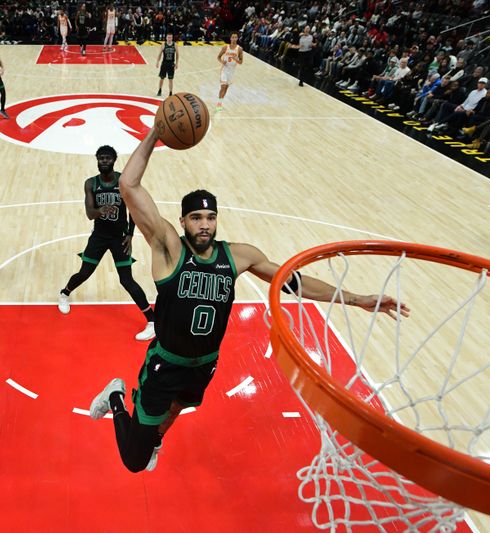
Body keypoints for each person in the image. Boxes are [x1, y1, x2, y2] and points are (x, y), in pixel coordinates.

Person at [88, 128, 410, 473]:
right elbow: (130, 187)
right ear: (182, 221)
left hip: (205, 362)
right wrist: (156, 133)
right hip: (166, 362)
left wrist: (357, 299)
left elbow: (293, 282)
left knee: (176, 410)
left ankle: (155, 438)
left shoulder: (239, 256)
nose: (204, 225)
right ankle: (117, 397)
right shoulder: (169, 247)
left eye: (210, 218)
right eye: (196, 218)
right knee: (135, 461)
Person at [59, 145, 156, 341]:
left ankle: (152, 321)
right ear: (97, 161)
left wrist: (130, 234)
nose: (104, 161)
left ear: (114, 160)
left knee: (126, 280)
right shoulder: (91, 184)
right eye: (101, 158)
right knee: (85, 272)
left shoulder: (123, 183)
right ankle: (64, 293)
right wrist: (102, 210)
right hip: (99, 237)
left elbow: (133, 210)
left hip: (119, 237)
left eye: (107, 158)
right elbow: (89, 214)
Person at [216, 33, 243, 111]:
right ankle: (219, 103)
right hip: (225, 69)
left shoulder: (239, 49)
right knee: (223, 86)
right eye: (233, 37)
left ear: (237, 38)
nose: (234, 39)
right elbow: (218, 57)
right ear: (230, 38)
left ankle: (220, 102)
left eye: (236, 37)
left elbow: (241, 62)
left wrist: (236, 59)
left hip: (232, 71)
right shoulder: (225, 47)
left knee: (226, 88)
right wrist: (222, 61)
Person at [156, 32, 178, 97]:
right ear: (166, 38)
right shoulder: (163, 45)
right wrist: (157, 62)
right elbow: (159, 54)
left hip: (171, 64)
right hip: (164, 63)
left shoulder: (175, 45)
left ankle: (170, 92)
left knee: (170, 79)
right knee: (161, 78)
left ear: (172, 38)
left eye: (170, 37)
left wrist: (177, 63)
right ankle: (159, 90)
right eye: (168, 37)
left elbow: (177, 54)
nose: (169, 39)